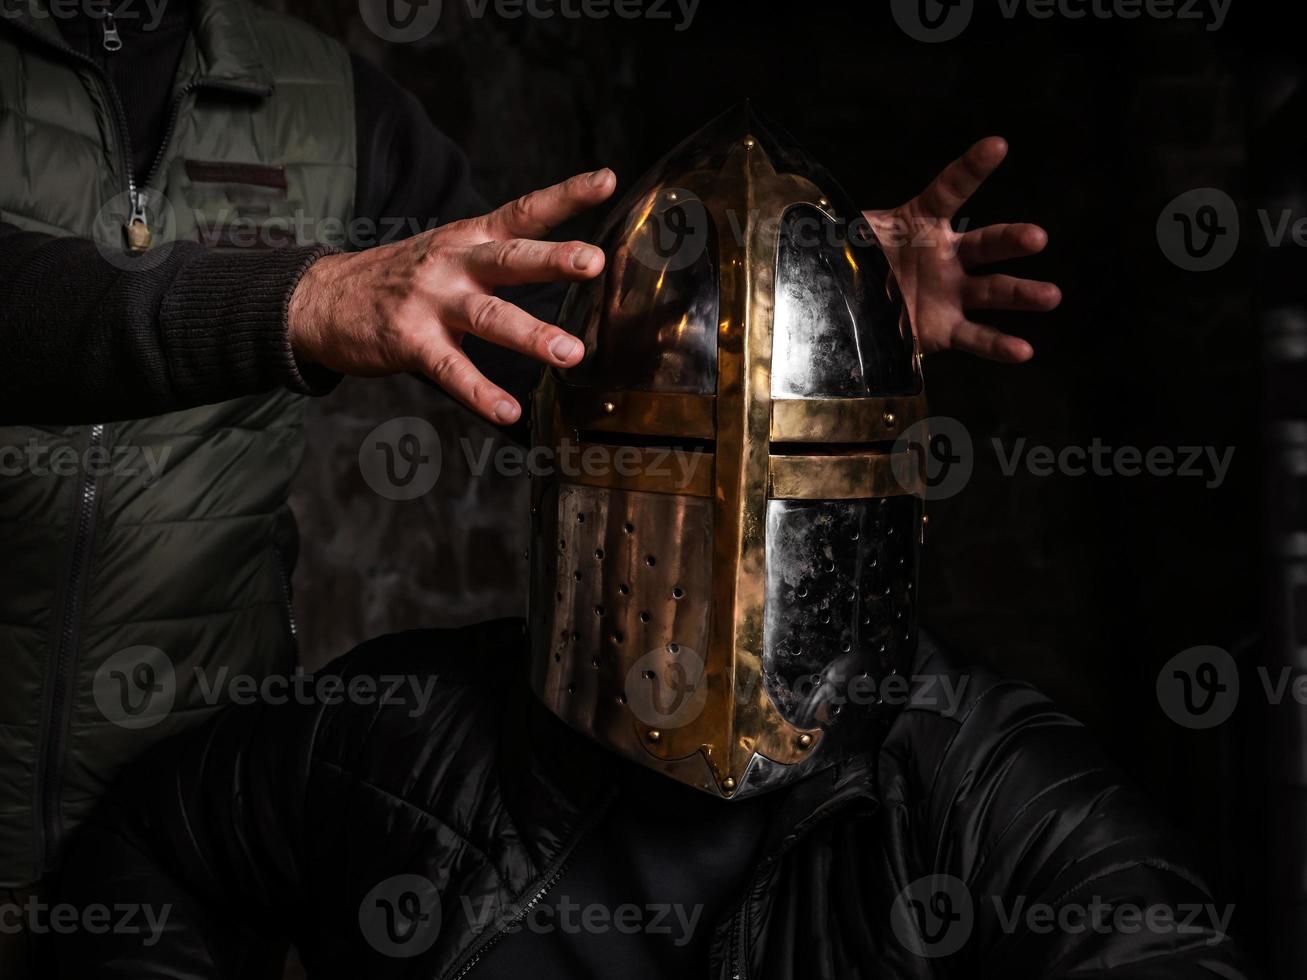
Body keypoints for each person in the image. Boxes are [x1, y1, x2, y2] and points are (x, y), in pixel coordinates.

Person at [47, 110, 1246, 979]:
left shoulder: (983, 790)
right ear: (568, 474)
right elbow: (141, 852)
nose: (730, 552)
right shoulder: (401, 732)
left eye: (802, 466)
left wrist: (829, 306)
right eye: (668, 457)